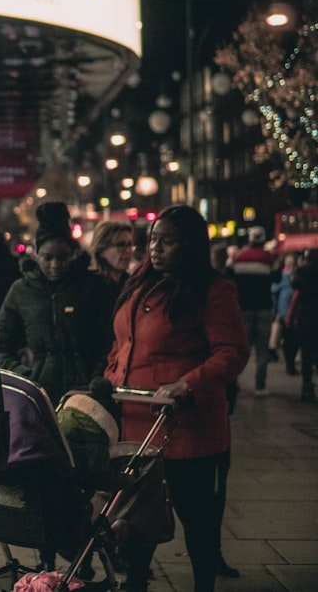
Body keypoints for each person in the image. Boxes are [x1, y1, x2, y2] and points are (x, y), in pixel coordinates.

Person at [104, 205, 249, 592]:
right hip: (138, 427)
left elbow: (232, 351)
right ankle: (136, 583)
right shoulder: (141, 282)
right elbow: (123, 341)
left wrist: (188, 384)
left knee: (199, 523)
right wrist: (112, 373)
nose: (155, 248)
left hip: (189, 432)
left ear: (189, 245)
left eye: (166, 241)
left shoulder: (212, 290)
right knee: (136, 521)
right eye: (153, 239)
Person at [0, 201, 116, 405]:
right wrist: (27, 376)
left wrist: (96, 379)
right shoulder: (22, 290)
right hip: (41, 397)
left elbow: (110, 340)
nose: (55, 265)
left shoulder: (92, 287)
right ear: (36, 253)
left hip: (87, 395)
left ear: (72, 254)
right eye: (47, 257)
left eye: (63, 257)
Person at [226, 226, 278, 396]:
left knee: (241, 347)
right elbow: (277, 277)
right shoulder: (268, 258)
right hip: (264, 308)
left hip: (243, 309)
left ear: (249, 239)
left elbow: (227, 274)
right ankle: (260, 386)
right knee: (262, 349)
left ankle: (234, 383)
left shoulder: (239, 257)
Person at [290, 249, 318, 402]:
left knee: (306, 355)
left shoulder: (303, 272)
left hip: (306, 319)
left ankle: (307, 386)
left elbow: (294, 282)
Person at [272, 252, 300, 377]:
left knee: (295, 340)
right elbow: (274, 293)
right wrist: (276, 313)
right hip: (284, 313)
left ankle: (292, 362)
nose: (290, 266)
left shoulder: (299, 276)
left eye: (292, 264)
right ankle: (290, 364)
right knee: (289, 340)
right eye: (288, 264)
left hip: (297, 314)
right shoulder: (282, 277)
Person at [88, 220, 134, 293]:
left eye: (129, 245)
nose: (128, 251)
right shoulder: (89, 286)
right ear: (101, 250)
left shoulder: (131, 284)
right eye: (120, 245)